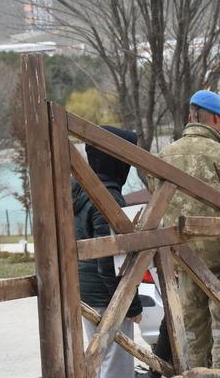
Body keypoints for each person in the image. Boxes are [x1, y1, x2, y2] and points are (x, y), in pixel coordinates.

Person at [149, 90, 220, 369]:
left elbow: (156, 202)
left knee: (193, 335)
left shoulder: (163, 156)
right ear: (216, 119)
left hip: (184, 262)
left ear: (190, 116)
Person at [74, 125, 142, 378]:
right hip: (107, 296)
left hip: (88, 292)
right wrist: (130, 304)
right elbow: (109, 260)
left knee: (100, 360)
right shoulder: (107, 197)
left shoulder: (81, 189)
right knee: (117, 365)